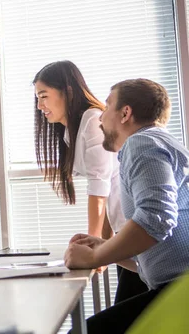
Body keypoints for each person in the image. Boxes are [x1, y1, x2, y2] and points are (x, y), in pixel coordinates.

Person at [65, 78, 189, 333]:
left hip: (180, 291)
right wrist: (107, 248)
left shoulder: (142, 143)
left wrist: (95, 257)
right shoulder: (160, 142)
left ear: (125, 113)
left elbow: (157, 219)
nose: (100, 118)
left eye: (107, 106)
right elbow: (157, 253)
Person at [33, 61, 147, 302]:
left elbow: (99, 189)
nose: (40, 105)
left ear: (68, 91)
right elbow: (105, 197)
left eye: (44, 96)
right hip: (123, 230)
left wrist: (93, 252)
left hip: (137, 232)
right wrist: (101, 244)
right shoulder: (71, 131)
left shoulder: (93, 121)